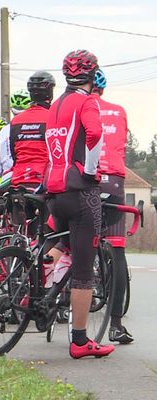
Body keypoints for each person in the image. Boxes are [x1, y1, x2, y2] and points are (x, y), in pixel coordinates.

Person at [45, 49, 114, 358]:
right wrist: (90, 170)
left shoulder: (55, 105)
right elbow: (95, 133)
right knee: (84, 270)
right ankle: (80, 341)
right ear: (91, 74)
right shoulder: (86, 101)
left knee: (58, 245)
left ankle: (33, 291)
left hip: (53, 190)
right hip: (79, 191)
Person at [90, 68, 133, 344]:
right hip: (115, 182)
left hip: (88, 181)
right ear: (103, 90)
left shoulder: (78, 109)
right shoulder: (119, 111)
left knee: (74, 243)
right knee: (117, 251)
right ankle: (116, 324)